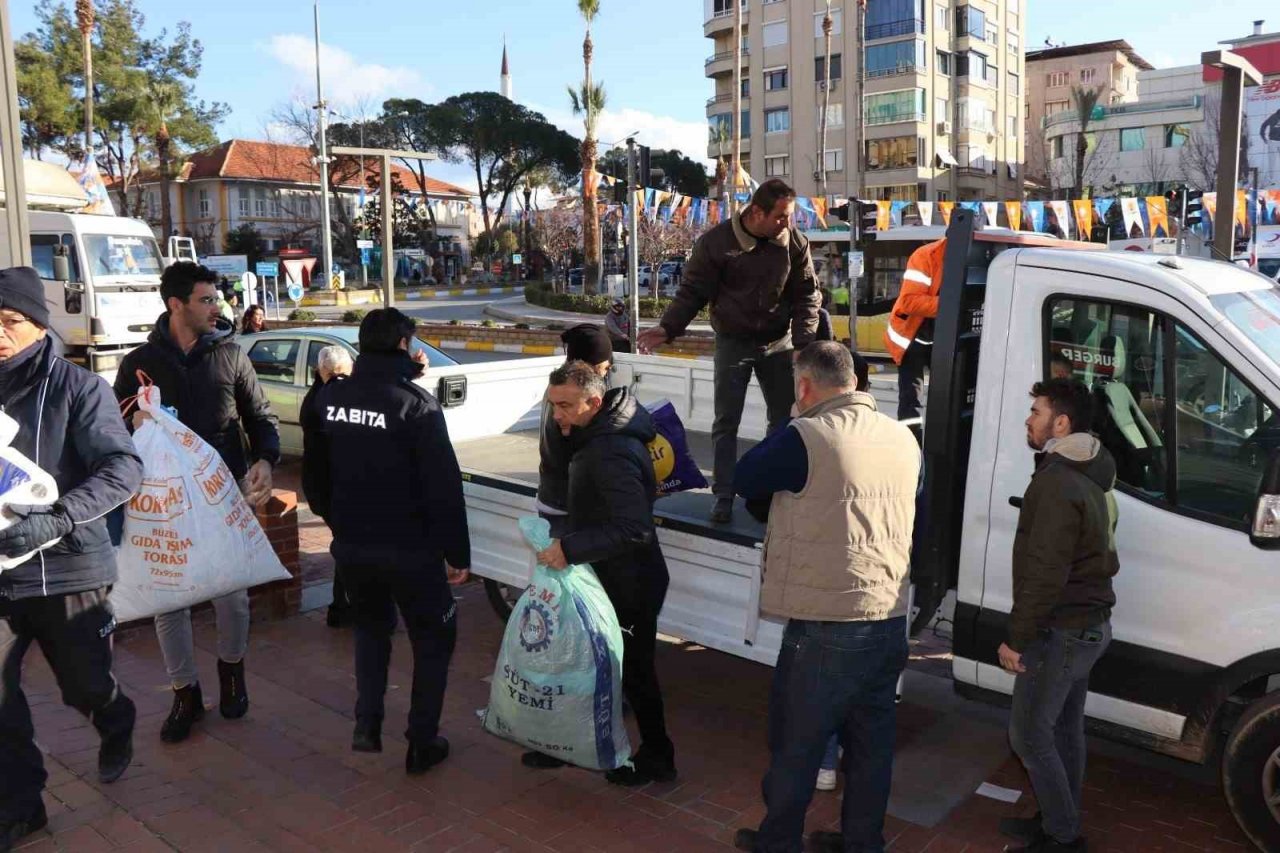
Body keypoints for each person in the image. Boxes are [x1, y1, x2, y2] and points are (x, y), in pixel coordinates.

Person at [730, 342, 919, 853]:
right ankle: (863, 843)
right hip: (887, 616)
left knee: (797, 745)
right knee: (871, 747)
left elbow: (744, 477)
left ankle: (778, 842)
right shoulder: (901, 437)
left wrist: (793, 419)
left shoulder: (806, 435)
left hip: (827, 625)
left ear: (805, 386)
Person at [0, 267, 145, 850]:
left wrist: (56, 518)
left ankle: (113, 716)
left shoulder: (78, 389)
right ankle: (22, 805)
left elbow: (123, 468)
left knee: (81, 685)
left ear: (39, 326)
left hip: (67, 568)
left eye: (8, 322)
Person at [114, 261, 280, 744]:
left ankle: (232, 670)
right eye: (207, 300)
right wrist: (135, 425)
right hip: (163, 501)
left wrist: (266, 460)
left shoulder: (230, 355)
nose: (217, 307)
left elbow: (261, 416)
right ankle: (184, 691)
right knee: (171, 601)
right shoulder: (139, 362)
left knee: (232, 593)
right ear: (176, 305)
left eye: (217, 299)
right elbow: (113, 427)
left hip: (224, 493)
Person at [303, 308, 470, 775]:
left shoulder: (331, 398)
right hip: (410, 549)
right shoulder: (415, 405)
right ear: (402, 345)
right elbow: (443, 486)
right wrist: (456, 553)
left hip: (354, 545)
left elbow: (314, 472)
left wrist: (335, 520)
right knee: (434, 638)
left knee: (372, 630)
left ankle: (367, 724)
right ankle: (421, 741)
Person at [638, 178, 820, 524]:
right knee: (726, 421)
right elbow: (692, 292)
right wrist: (668, 328)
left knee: (784, 420)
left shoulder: (795, 243)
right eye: (782, 216)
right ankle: (723, 493)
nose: (788, 223)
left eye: (790, 216)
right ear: (756, 212)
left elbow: (807, 296)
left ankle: (770, 492)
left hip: (779, 342)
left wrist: (804, 344)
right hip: (733, 341)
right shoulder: (716, 243)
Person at [531, 361, 676, 787]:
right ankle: (569, 744)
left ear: (594, 402)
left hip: (629, 583)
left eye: (565, 406)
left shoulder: (609, 450)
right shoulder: (597, 434)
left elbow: (634, 527)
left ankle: (658, 757)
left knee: (634, 672)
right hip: (608, 576)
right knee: (591, 665)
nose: (556, 415)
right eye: (552, 404)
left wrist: (569, 549)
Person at [998, 379, 1118, 853]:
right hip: (1089, 626)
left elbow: (1046, 574)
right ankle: (1055, 819)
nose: (1029, 419)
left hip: (1062, 630)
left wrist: (1017, 638)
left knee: (1028, 735)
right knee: (1065, 729)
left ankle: (1063, 836)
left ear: (1061, 423)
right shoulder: (1088, 469)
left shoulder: (1057, 481)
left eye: (1037, 411)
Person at [537, 324, 614, 539]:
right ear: (591, 365)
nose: (606, 372)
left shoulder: (558, 388)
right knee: (572, 571)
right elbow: (590, 450)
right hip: (567, 506)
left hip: (554, 497)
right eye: (605, 367)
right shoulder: (576, 399)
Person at [300, 345, 354, 628]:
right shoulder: (325, 401)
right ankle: (342, 607)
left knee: (346, 543)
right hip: (332, 489)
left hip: (324, 488)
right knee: (348, 545)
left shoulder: (318, 395)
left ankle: (341, 606)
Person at [884, 238, 946, 433]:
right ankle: (911, 443)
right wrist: (950, 303)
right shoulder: (926, 256)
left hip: (940, 337)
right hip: (911, 340)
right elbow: (909, 302)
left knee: (944, 397)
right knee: (911, 399)